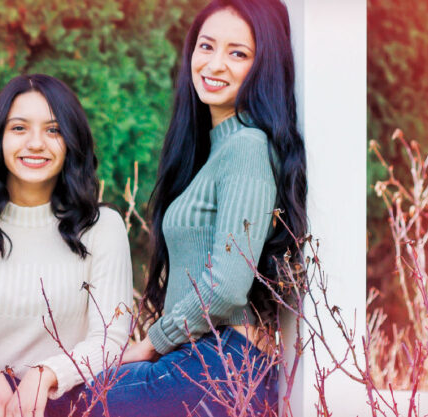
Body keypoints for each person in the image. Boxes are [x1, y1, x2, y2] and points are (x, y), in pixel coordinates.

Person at [94, 0, 307, 415]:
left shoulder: (246, 147)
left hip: (221, 360)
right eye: (206, 46)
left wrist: (152, 342)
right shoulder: (215, 150)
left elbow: (227, 287)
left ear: (263, 66)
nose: (215, 64)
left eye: (238, 53)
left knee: (77, 400)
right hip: (205, 356)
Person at [0, 74, 134, 417]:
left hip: (66, 402)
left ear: (71, 141)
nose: (35, 143)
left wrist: (46, 376)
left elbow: (109, 339)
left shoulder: (102, 228)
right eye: (19, 128)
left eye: (53, 130)